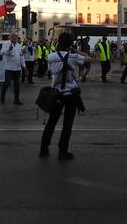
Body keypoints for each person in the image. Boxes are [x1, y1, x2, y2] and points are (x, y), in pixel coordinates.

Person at [40, 32, 87, 160]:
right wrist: (76, 50)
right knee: (67, 124)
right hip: (70, 94)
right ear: (70, 44)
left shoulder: (51, 56)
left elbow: (50, 70)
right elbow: (87, 58)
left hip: (56, 94)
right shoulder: (73, 56)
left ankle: (43, 149)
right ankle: (62, 151)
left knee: (51, 123)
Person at [0, 32, 26, 105]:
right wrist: (9, 49)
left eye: (16, 36)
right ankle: (2, 97)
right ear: (10, 37)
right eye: (13, 36)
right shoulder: (6, 44)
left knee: (17, 85)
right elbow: (2, 53)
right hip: (9, 68)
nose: (15, 38)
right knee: (7, 83)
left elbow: (21, 56)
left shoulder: (19, 45)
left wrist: (24, 65)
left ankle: (16, 100)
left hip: (17, 68)